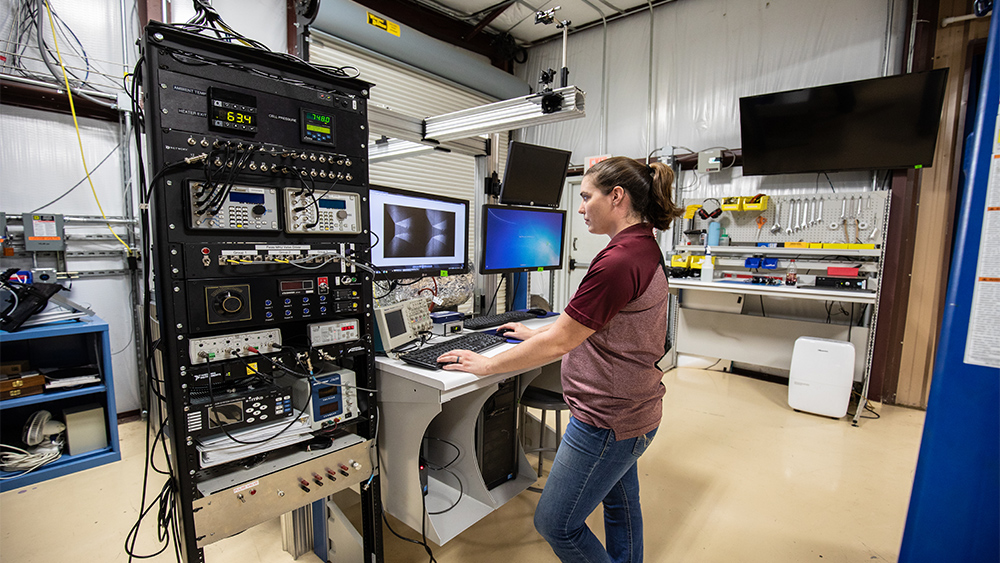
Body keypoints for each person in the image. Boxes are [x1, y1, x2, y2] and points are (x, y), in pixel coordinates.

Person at [436, 156, 683, 563]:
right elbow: (589, 326)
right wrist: (537, 332)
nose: (581, 207)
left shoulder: (618, 261)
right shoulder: (641, 246)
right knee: (621, 506)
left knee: (556, 524)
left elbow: (561, 343)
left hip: (607, 421)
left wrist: (485, 365)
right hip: (633, 412)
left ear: (616, 197)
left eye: (587, 197)